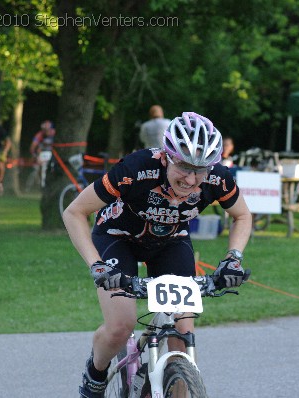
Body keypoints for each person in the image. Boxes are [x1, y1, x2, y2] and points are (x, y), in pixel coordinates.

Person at [63, 111, 253, 398]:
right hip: (118, 237)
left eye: (200, 170)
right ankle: (96, 373)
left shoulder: (217, 179)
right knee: (120, 325)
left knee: (182, 333)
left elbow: (242, 216)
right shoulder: (136, 168)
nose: (191, 179)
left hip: (170, 241)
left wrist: (233, 258)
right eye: (184, 167)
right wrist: (97, 266)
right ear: (166, 157)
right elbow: (74, 212)